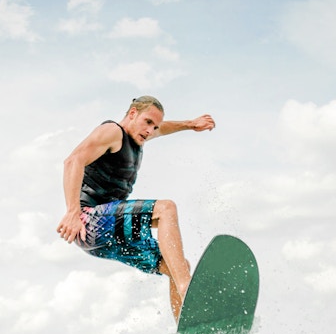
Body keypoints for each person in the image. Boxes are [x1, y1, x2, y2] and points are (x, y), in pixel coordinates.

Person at [56, 96, 216, 322]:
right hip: (90, 221)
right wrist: (73, 211)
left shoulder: (139, 138)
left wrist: (190, 124)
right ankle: (186, 287)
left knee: (177, 265)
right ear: (132, 113)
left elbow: (164, 128)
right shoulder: (113, 132)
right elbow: (73, 161)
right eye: (148, 122)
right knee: (166, 209)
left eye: (155, 127)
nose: (151, 131)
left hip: (106, 237)